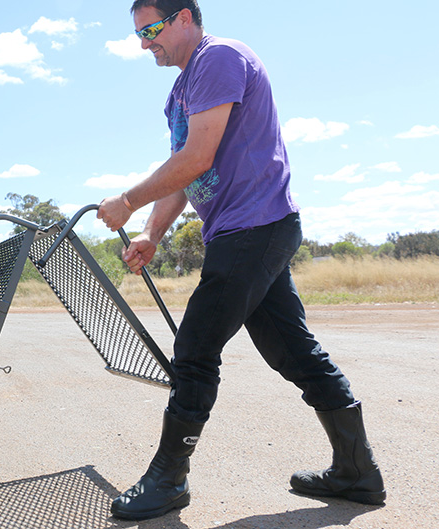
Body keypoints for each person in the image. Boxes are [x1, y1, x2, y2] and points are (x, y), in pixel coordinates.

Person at [96, 0, 385, 520]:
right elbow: (187, 174)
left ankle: (168, 478)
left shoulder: (220, 57)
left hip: (256, 225)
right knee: (292, 351)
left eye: (152, 30)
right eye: (140, 35)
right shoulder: (180, 93)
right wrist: (152, 233)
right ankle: (357, 473)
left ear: (185, 17)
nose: (145, 44)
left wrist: (128, 200)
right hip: (244, 230)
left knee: (195, 347)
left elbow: (197, 157)